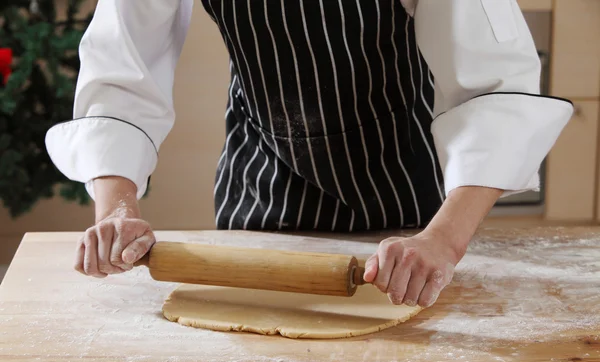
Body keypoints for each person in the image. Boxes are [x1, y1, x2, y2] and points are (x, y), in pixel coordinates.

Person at [46, 0, 573, 308]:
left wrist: (443, 240)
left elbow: (493, 86)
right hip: (261, 182)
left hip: (407, 203)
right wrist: (117, 209)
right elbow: (120, 67)